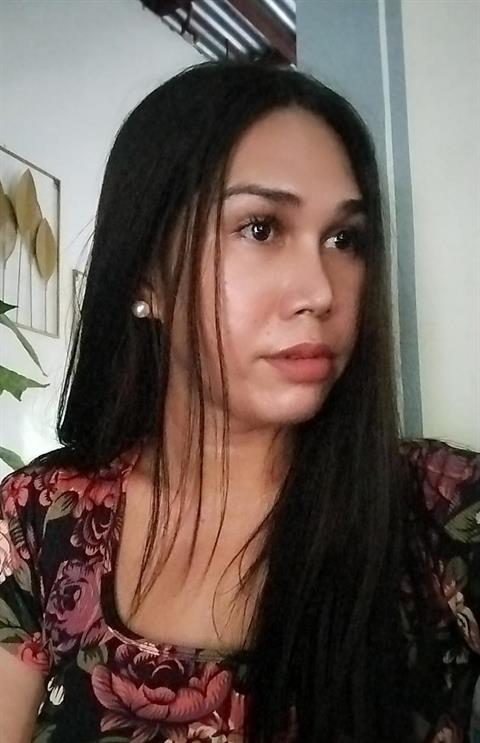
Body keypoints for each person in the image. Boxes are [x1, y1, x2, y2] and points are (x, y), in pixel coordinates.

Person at [0, 60, 478, 743]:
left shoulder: (444, 514)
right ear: (146, 274)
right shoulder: (37, 518)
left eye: (345, 239)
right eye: (260, 228)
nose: (321, 290)